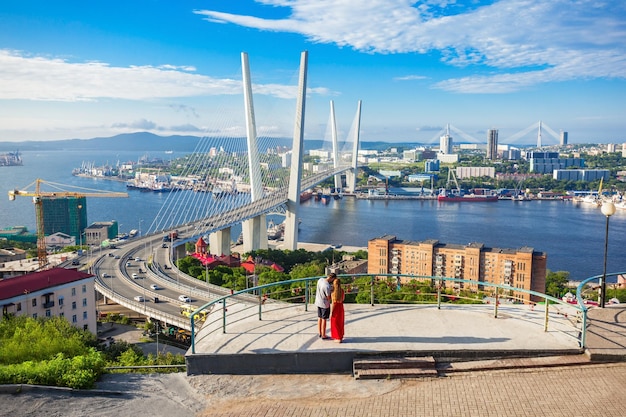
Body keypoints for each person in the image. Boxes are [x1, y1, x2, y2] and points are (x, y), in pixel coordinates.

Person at [315, 272, 336, 339]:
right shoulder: (327, 286)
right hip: (324, 304)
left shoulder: (320, 280)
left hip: (318, 301)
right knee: (324, 319)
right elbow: (328, 297)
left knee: (319, 317)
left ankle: (320, 333)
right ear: (332, 278)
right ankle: (324, 335)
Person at [330, 277, 345, 343]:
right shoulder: (342, 291)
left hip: (335, 308)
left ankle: (337, 337)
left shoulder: (333, 293)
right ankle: (340, 336)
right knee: (340, 322)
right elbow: (343, 299)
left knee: (334, 323)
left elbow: (333, 303)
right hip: (341, 307)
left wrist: (331, 312)